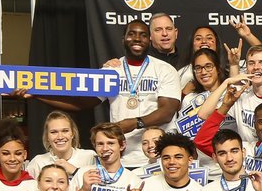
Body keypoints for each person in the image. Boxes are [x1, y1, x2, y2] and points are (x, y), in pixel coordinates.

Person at [25, 19, 182, 169]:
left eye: (143, 35)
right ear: (123, 39)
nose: (137, 39)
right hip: (121, 156)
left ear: (150, 40)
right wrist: (38, 95)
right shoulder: (110, 71)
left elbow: (167, 112)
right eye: (131, 34)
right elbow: (82, 103)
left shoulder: (164, 70)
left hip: (158, 156)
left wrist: (134, 123)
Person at [25, 111, 94, 178]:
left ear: (72, 133)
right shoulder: (38, 162)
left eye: (65, 131)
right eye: (54, 132)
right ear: (47, 137)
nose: (60, 137)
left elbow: (101, 184)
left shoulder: (89, 156)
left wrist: (75, 171)